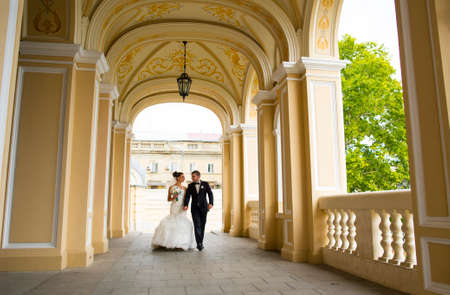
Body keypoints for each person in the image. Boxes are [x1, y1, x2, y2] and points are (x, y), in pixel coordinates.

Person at [151, 171, 195, 250]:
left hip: (182, 207)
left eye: (183, 176)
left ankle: (181, 243)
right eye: (182, 176)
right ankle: (169, 242)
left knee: (182, 222)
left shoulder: (185, 188)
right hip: (174, 206)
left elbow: (187, 198)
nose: (184, 178)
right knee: (173, 221)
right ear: (177, 178)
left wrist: (186, 205)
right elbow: (168, 199)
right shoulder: (171, 187)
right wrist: (174, 197)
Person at [183, 170, 214, 251]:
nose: (192, 178)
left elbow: (210, 193)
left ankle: (201, 241)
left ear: (198, 176)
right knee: (197, 225)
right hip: (195, 209)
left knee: (202, 225)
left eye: (193, 176)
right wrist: (186, 204)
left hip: (204, 207)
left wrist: (211, 203)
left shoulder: (205, 184)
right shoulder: (190, 185)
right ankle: (199, 244)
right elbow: (187, 196)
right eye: (192, 176)